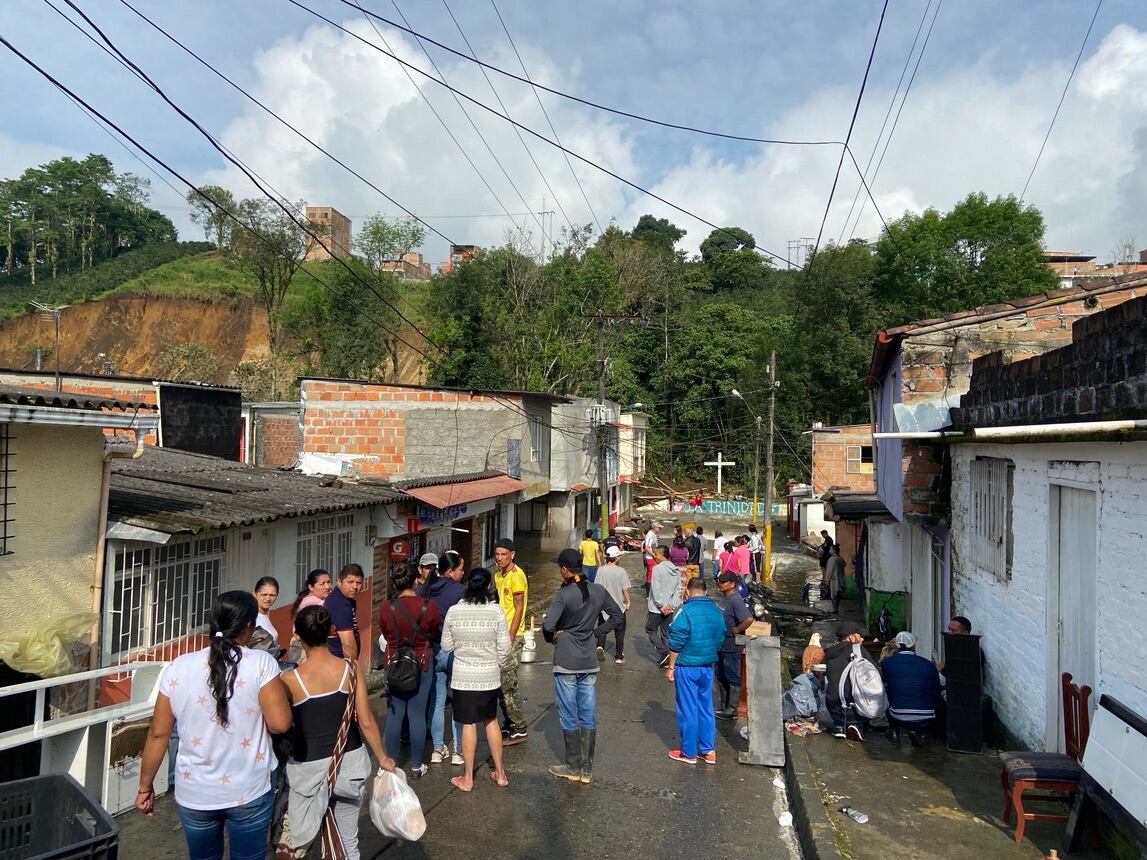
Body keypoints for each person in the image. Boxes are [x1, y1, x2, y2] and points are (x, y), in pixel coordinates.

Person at [135, 591, 292, 860]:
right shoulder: (261, 664)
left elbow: (158, 733)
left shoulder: (177, 667)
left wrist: (145, 787)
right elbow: (279, 724)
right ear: (248, 627)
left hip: (194, 792)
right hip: (249, 790)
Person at [280, 607, 395, 859]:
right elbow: (365, 720)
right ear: (331, 631)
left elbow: (282, 726)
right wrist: (383, 758)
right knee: (347, 841)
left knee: (303, 840)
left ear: (298, 636)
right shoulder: (350, 668)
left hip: (307, 770)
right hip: (348, 763)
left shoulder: (290, 680)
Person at [542, 548, 623, 783]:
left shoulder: (564, 594)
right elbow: (617, 617)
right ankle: (586, 770)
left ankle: (572, 765)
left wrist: (556, 636)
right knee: (587, 714)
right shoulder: (598, 590)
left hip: (567, 660)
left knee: (569, 715)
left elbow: (548, 626)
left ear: (565, 570)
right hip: (588, 661)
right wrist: (596, 633)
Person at [440, 567, 512, 792]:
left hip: (463, 677)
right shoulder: (496, 612)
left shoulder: (454, 611)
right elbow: (505, 648)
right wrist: (496, 664)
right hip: (489, 676)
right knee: (491, 720)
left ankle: (468, 778)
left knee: (468, 723)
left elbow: (446, 645)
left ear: (468, 586)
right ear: (488, 587)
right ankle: (500, 773)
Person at [377, 563, 441, 777]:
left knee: (395, 714)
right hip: (421, 662)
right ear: (415, 580)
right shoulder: (428, 606)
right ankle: (416, 764)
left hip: (394, 662)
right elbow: (433, 631)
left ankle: (392, 764)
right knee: (417, 714)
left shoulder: (387, 607)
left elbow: (386, 634)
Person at [665, 577, 726, 764]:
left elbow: (676, 641)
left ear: (688, 591)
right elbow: (721, 634)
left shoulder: (684, 611)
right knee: (705, 707)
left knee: (687, 708)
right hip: (707, 666)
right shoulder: (717, 611)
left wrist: (671, 666)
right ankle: (709, 751)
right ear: (705, 591)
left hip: (687, 665)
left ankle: (688, 752)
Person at [421, 550, 467, 766]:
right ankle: (458, 750)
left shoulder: (427, 589)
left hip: (433, 649)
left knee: (437, 701)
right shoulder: (459, 591)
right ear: (450, 571)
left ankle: (437, 748)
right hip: (454, 651)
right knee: (457, 700)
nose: (462, 572)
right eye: (460, 569)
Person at [493, 538, 529, 745]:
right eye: (497, 554)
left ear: (512, 555)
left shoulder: (517, 576)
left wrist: (511, 635)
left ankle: (519, 727)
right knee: (500, 684)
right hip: (501, 634)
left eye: (503, 554)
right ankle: (508, 722)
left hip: (513, 636)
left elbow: (519, 608)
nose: (499, 558)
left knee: (507, 684)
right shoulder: (499, 574)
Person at [881, 631, 942, 745]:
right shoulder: (928, 664)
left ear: (897, 646)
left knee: (887, 688)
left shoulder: (887, 663)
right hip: (927, 715)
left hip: (897, 714)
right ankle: (923, 732)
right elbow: (936, 690)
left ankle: (894, 731)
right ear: (914, 645)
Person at [713, 571, 753, 719]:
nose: (720, 584)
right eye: (720, 582)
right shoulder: (726, 598)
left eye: (723, 582)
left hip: (731, 644)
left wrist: (736, 629)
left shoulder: (736, 599)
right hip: (721, 643)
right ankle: (724, 705)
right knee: (720, 674)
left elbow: (748, 619)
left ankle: (732, 709)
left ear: (732, 584)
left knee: (732, 675)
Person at [824, 621, 871, 741]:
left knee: (832, 687)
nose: (862, 639)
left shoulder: (829, 652)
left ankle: (839, 726)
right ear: (851, 637)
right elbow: (875, 672)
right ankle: (857, 725)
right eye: (860, 635)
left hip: (833, 706)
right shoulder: (858, 650)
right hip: (853, 707)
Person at [646, 545, 682, 666]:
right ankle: (668, 660)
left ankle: (664, 651)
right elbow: (678, 590)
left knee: (650, 629)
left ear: (662, 555)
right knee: (665, 632)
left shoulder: (657, 569)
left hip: (657, 608)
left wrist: (661, 605)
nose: (654, 556)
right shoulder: (676, 570)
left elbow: (656, 588)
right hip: (670, 608)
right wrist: (671, 606)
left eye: (656, 554)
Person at [594, 546, 631, 664]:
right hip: (618, 605)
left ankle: (600, 646)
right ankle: (619, 656)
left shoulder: (600, 570)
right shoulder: (621, 571)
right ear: (616, 558)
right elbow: (625, 589)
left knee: (602, 627)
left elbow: (597, 587)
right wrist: (628, 602)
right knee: (620, 632)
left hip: (603, 606)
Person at [325, 564, 364, 660]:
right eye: (350, 582)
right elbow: (348, 644)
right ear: (339, 582)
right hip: (339, 663)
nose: (355, 586)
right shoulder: (340, 604)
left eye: (359, 583)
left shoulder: (346, 600)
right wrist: (353, 669)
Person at [825, 544, 846, 613]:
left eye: (830, 549)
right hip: (841, 579)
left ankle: (834, 609)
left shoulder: (831, 559)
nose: (829, 550)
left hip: (834, 579)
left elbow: (829, 571)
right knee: (838, 594)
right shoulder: (840, 558)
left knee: (833, 595)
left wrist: (826, 581)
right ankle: (836, 608)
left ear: (834, 551)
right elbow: (844, 564)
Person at [642, 522, 662, 591]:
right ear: (654, 528)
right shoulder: (650, 535)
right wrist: (654, 555)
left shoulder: (653, 534)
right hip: (651, 558)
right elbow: (647, 548)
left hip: (651, 558)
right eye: (659, 528)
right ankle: (649, 592)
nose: (660, 529)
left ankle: (649, 591)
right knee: (651, 575)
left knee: (649, 575)